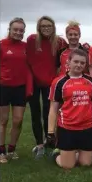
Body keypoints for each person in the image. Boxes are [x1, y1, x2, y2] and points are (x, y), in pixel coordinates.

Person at [48, 49, 92, 169]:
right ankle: (56, 154)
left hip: (88, 127)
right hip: (67, 128)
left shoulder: (91, 81)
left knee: (86, 164)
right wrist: (50, 132)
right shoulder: (59, 82)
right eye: (76, 61)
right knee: (68, 166)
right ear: (68, 62)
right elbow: (53, 109)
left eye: (82, 63)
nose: (79, 65)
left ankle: (75, 153)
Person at [26, 16, 68, 159]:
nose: (46, 28)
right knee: (35, 113)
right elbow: (28, 60)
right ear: (39, 27)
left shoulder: (60, 41)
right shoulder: (32, 40)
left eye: (49, 25)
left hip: (50, 82)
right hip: (33, 81)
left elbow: (65, 59)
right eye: (43, 26)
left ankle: (49, 140)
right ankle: (39, 145)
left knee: (48, 113)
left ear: (53, 26)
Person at [0, 18, 32, 163]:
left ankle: (12, 149)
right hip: (4, 87)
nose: (18, 32)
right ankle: (1, 151)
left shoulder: (26, 47)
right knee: (3, 120)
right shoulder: (1, 45)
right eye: (16, 29)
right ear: (10, 29)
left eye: (21, 30)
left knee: (18, 120)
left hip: (20, 88)